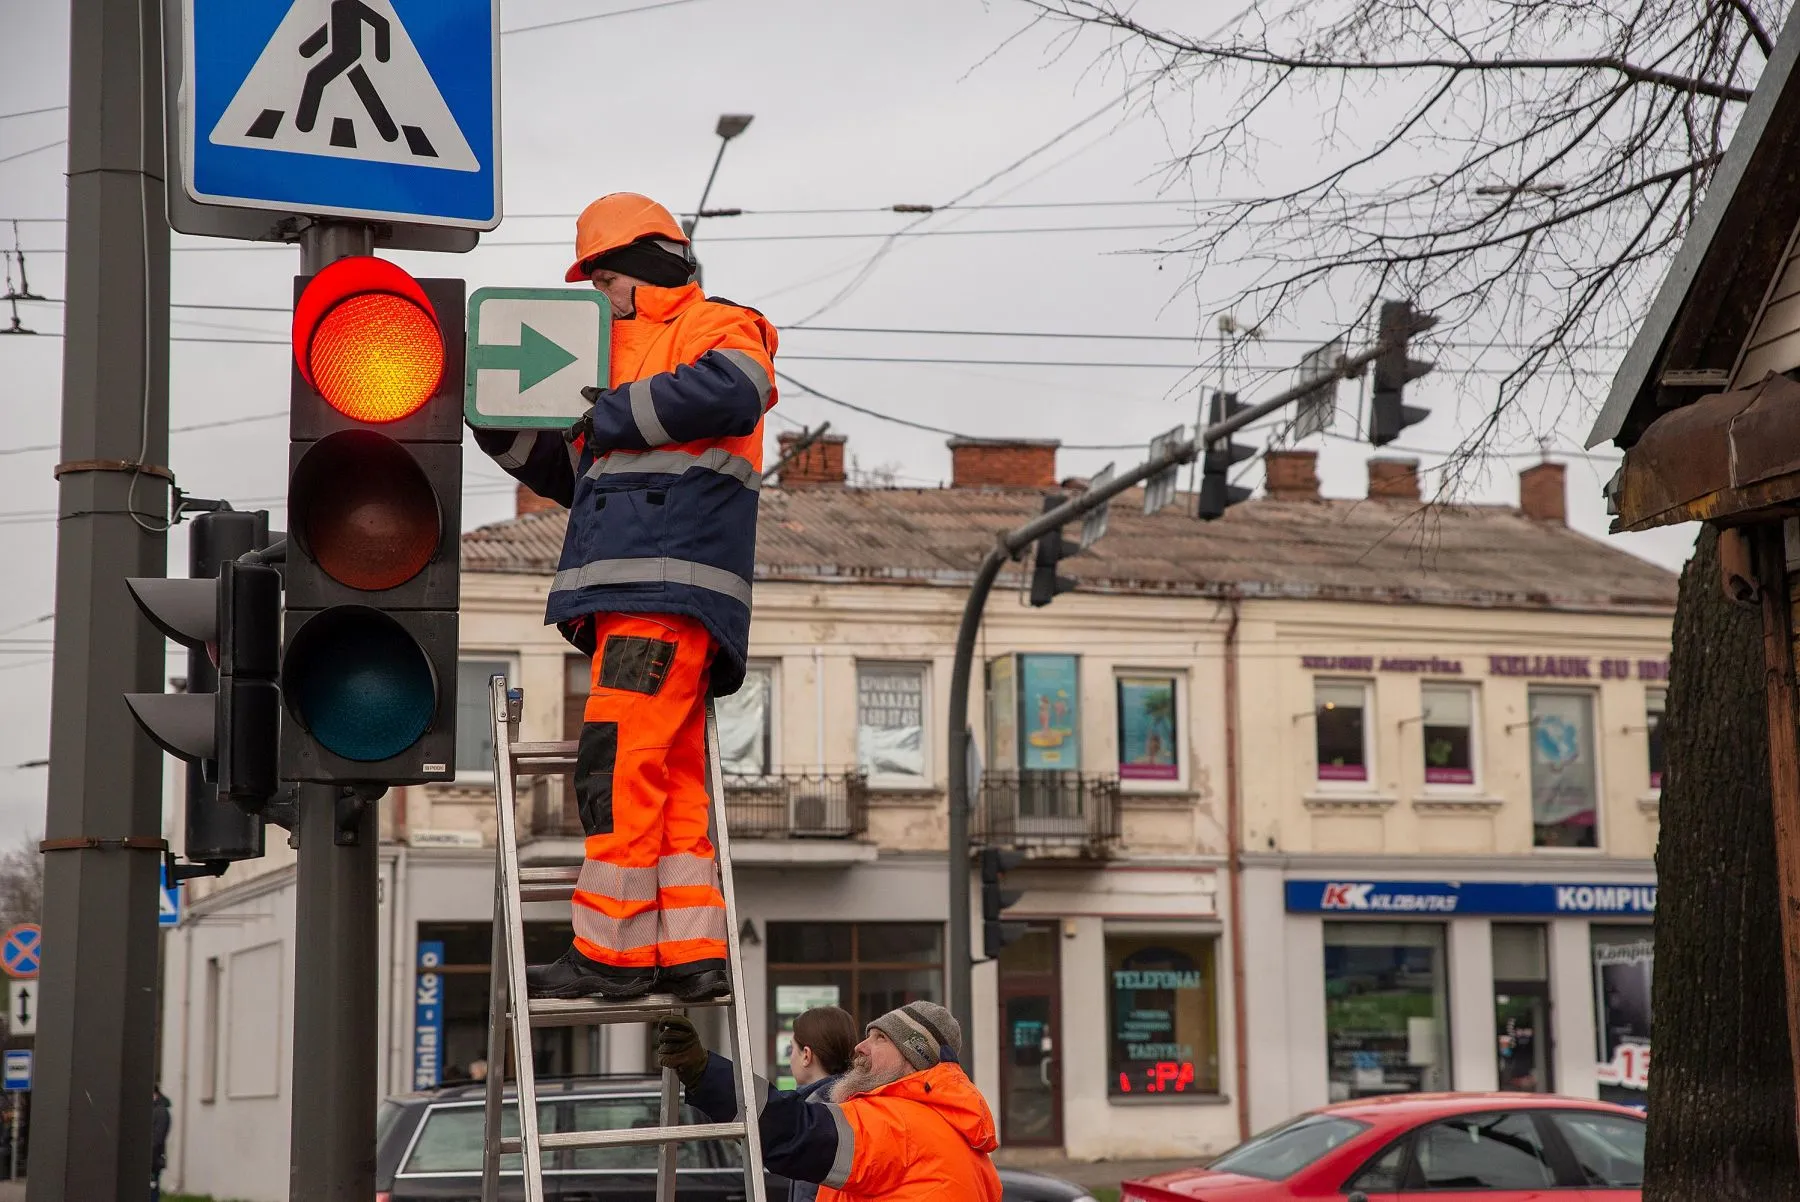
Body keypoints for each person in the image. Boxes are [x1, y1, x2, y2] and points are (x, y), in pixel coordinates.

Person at [474, 193, 778, 1004]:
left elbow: (735, 388)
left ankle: (606, 954)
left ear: (636, 267)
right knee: (670, 777)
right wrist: (502, 426)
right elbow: (578, 474)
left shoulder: (716, 323)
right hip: (651, 590)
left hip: (662, 586)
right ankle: (691, 952)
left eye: (599, 278)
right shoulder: (610, 362)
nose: (593, 296)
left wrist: (602, 414)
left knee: (616, 766)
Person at [655, 1001, 1002, 1200]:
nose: (859, 1048)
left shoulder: (900, 1124)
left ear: (913, 1057)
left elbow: (795, 1133)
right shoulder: (955, 1133)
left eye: (879, 1038)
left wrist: (705, 1072)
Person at [781, 1006, 858, 1202]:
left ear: (806, 1055)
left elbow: (807, 1194)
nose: (790, 1058)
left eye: (792, 1049)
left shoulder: (812, 1115)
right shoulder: (857, 1103)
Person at [151, 1085, 171, 1202]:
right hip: (154, 1159)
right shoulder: (157, 1111)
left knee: (152, 1192)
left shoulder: (160, 1112)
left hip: (154, 1160)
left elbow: (156, 1139)